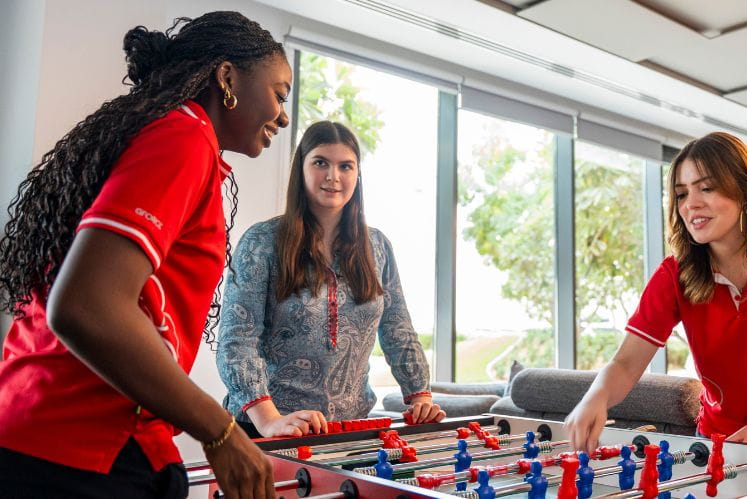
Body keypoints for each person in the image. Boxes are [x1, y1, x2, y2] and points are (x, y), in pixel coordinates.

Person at [0, 11, 292, 498]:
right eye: (280, 94)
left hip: (37, 426)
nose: (283, 115)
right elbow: (84, 306)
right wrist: (220, 431)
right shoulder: (185, 137)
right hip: (81, 452)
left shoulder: (169, 133)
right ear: (227, 78)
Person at [565, 132, 747, 454]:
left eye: (707, 188)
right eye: (681, 194)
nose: (691, 203)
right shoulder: (673, 274)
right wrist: (595, 396)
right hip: (723, 441)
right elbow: (625, 365)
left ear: (745, 191)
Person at [216, 121, 445, 438]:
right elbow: (236, 341)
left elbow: (398, 328)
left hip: (350, 429)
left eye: (345, 166)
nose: (333, 176)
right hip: (267, 427)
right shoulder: (262, 241)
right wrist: (270, 420)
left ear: (357, 174)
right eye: (321, 162)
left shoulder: (377, 246)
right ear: (302, 168)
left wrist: (420, 396)